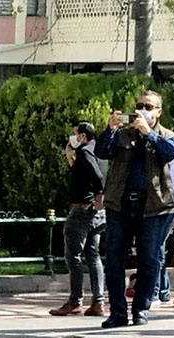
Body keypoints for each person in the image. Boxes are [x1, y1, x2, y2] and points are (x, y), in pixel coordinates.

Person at [94, 90, 174, 328]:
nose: (143, 110)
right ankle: (118, 313)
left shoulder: (167, 136)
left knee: (150, 260)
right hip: (120, 204)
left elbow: (170, 153)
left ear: (158, 112)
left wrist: (149, 134)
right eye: (140, 105)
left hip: (153, 206)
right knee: (114, 259)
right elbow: (101, 151)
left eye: (149, 107)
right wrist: (110, 129)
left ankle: (141, 309)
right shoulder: (122, 135)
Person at [52, 122, 107, 317]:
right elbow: (85, 176)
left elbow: (97, 177)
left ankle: (75, 300)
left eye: (75, 134)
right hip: (97, 212)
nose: (72, 137)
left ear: (83, 136)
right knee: (93, 255)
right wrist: (71, 159)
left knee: (73, 256)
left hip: (82, 210)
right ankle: (98, 301)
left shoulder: (85, 151)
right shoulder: (100, 150)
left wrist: (100, 194)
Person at [149, 152, 174, 306]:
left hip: (171, 208)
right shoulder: (155, 157)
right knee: (156, 248)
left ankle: (157, 292)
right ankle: (162, 293)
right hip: (156, 208)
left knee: (156, 247)